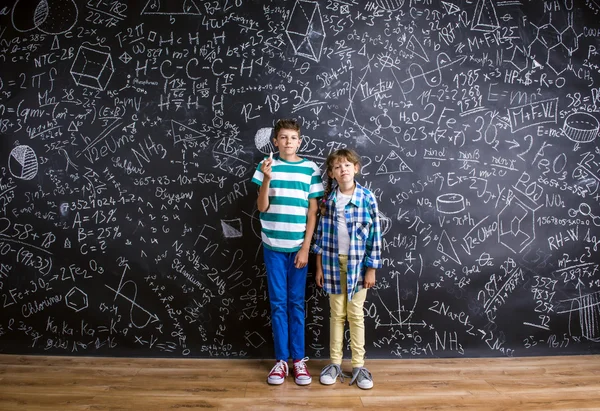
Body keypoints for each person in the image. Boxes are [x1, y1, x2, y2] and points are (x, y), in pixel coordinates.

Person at [251, 118, 324, 386]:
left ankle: (299, 360)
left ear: (300, 141)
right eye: (283, 137)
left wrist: (305, 248)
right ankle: (281, 361)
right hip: (273, 245)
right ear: (275, 141)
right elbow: (262, 206)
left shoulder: (310, 169)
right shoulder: (266, 166)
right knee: (278, 303)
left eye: (293, 138)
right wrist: (267, 179)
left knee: (296, 303)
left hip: (298, 249)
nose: (288, 142)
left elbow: (313, 211)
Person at [312, 148, 382, 390]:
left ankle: (359, 366)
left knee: (355, 314)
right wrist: (318, 266)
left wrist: (371, 269)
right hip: (332, 264)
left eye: (347, 165)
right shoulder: (328, 201)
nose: (343, 170)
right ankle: (334, 364)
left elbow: (375, 237)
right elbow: (320, 237)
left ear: (356, 168)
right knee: (336, 314)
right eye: (337, 167)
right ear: (331, 173)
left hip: (358, 267)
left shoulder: (366, 198)